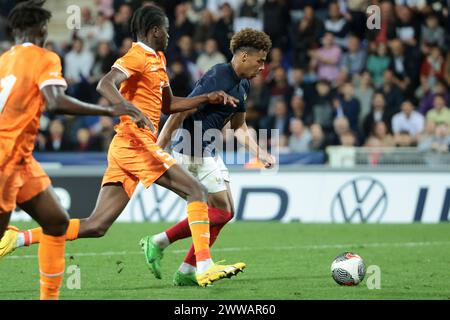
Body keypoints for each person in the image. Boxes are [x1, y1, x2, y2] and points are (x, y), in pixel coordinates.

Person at [2, 5, 243, 288]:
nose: (169, 34)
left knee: (97, 225)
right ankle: (202, 266)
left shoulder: (158, 59)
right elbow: (106, 84)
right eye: (166, 29)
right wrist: (122, 107)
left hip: (125, 147)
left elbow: (170, 104)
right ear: (155, 30)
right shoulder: (136, 56)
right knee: (196, 191)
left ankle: (17, 237)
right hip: (133, 141)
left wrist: (207, 98)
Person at [0, 0, 148, 300]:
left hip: (22, 159)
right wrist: (108, 111)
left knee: (56, 222)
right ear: (41, 29)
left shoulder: (5, 60)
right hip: (5, 157)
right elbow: (55, 101)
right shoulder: (45, 57)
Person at [143, 28, 276, 286]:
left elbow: (238, 127)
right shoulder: (218, 75)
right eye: (260, 60)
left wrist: (260, 152)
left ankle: (178, 259)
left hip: (208, 151)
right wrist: (158, 148)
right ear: (244, 56)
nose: (263, 66)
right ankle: (181, 258)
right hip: (191, 151)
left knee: (226, 211)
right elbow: (179, 112)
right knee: (222, 212)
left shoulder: (243, 85)